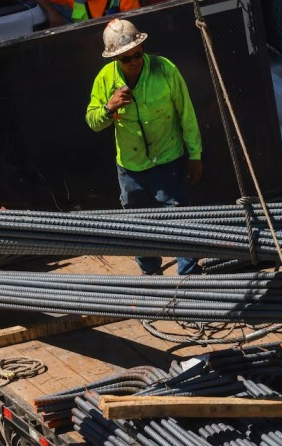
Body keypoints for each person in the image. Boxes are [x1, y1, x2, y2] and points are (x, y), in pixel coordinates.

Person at [86, 19, 203, 275]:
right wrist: (109, 107)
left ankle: (191, 285)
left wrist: (195, 155)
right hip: (131, 169)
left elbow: (187, 114)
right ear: (116, 58)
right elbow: (92, 121)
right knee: (139, 230)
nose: (135, 60)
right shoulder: (105, 80)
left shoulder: (164, 69)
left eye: (138, 54)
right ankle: (151, 280)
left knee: (181, 225)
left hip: (169, 160)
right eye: (127, 58)